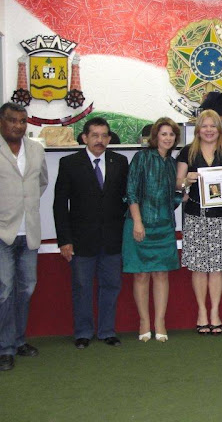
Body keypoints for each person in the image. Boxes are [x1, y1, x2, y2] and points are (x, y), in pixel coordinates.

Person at [53, 117, 129, 349]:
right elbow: (59, 205)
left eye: (104, 135)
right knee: (82, 288)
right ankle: (83, 333)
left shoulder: (120, 162)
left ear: (109, 138)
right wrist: (64, 240)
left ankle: (107, 331)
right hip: (81, 239)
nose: (99, 140)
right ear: (85, 137)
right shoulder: (69, 163)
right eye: (94, 135)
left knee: (111, 286)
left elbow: (126, 199)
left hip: (112, 238)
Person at [176, 110, 222, 335]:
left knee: (218, 267)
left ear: (219, 129)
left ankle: (215, 312)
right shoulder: (187, 152)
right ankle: (202, 312)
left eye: (213, 126)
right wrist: (186, 180)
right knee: (199, 267)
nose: (209, 130)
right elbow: (177, 185)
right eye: (204, 126)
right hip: (196, 216)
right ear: (198, 130)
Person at [122, 117, 182, 343]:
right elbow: (131, 191)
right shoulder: (141, 157)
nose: (168, 138)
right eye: (163, 134)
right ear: (155, 136)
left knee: (161, 274)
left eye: (172, 134)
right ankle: (144, 322)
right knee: (141, 274)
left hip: (164, 227)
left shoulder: (173, 164)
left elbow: (172, 198)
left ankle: (160, 322)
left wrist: (185, 193)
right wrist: (138, 222)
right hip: (140, 224)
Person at [0, 103, 48, 372]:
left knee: (26, 288)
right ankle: (5, 347)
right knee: (4, 291)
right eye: (12, 120)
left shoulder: (36, 149)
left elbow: (41, 182)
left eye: (22, 121)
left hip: (29, 232)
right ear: (1, 121)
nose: (17, 126)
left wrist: (23, 203)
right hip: (2, 233)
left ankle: (18, 341)